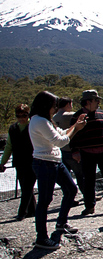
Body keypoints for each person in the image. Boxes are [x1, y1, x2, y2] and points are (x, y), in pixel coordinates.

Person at [28, 91, 87, 249]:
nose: (55, 108)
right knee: (45, 201)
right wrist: (76, 129)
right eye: (53, 105)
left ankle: (61, 223)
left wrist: (75, 125)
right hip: (45, 163)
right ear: (46, 106)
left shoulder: (45, 120)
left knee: (71, 189)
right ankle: (41, 237)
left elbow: (60, 133)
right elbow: (60, 141)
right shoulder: (39, 121)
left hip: (54, 161)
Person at [70, 90, 103, 215]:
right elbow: (73, 135)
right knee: (88, 180)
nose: (98, 103)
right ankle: (90, 206)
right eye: (96, 100)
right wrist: (75, 151)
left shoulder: (102, 114)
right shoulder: (77, 116)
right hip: (87, 153)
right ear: (89, 101)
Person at [0, 104, 37, 221]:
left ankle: (22, 212)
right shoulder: (13, 128)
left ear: (28, 115)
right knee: (25, 187)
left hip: (33, 160)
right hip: (19, 162)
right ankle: (33, 210)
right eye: (18, 116)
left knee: (27, 187)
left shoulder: (33, 126)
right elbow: (9, 147)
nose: (21, 118)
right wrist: (3, 162)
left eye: (24, 115)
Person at [52, 97, 85, 204]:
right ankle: (87, 195)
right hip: (71, 149)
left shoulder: (53, 117)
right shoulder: (70, 115)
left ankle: (70, 197)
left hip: (60, 151)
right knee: (80, 175)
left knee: (66, 177)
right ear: (67, 104)